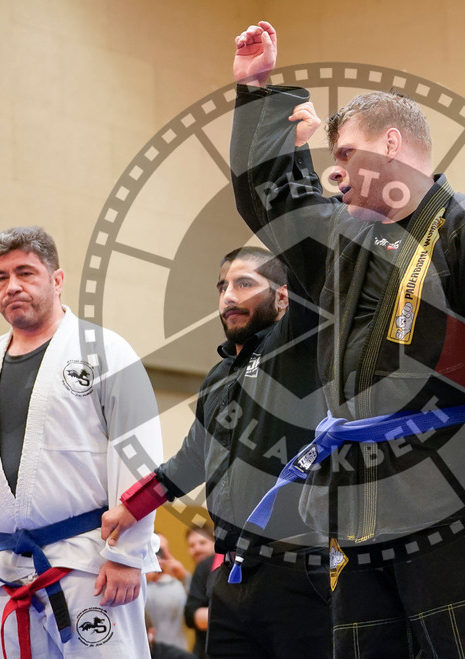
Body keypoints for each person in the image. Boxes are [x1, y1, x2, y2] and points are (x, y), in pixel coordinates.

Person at [227, 21, 465, 658]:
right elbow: (274, 205)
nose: (336, 172)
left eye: (344, 154)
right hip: (359, 503)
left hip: (446, 498)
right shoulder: (345, 242)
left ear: (392, 145)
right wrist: (257, 92)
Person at [0, 226, 164, 658]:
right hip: (6, 568)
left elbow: (138, 455)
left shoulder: (105, 350)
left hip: (91, 564)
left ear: (56, 279)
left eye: (26, 273)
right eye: (1, 276)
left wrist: (129, 553)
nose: (12, 286)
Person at [101, 247, 332, 658]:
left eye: (245, 284)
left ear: (282, 297)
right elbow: (190, 461)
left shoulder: (297, 349)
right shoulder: (218, 377)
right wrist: (131, 507)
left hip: (298, 571)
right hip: (229, 576)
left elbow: (313, 267)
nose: (229, 296)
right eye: (223, 286)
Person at [145, 535, 190, 653]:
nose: (157, 556)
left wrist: (184, 577)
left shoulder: (178, 584)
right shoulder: (138, 584)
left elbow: (196, 608)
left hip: (177, 653)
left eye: (160, 551)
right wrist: (142, 578)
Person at [182, 526, 216, 659]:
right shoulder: (200, 570)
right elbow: (191, 615)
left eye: (202, 543)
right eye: (191, 545)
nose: (197, 549)